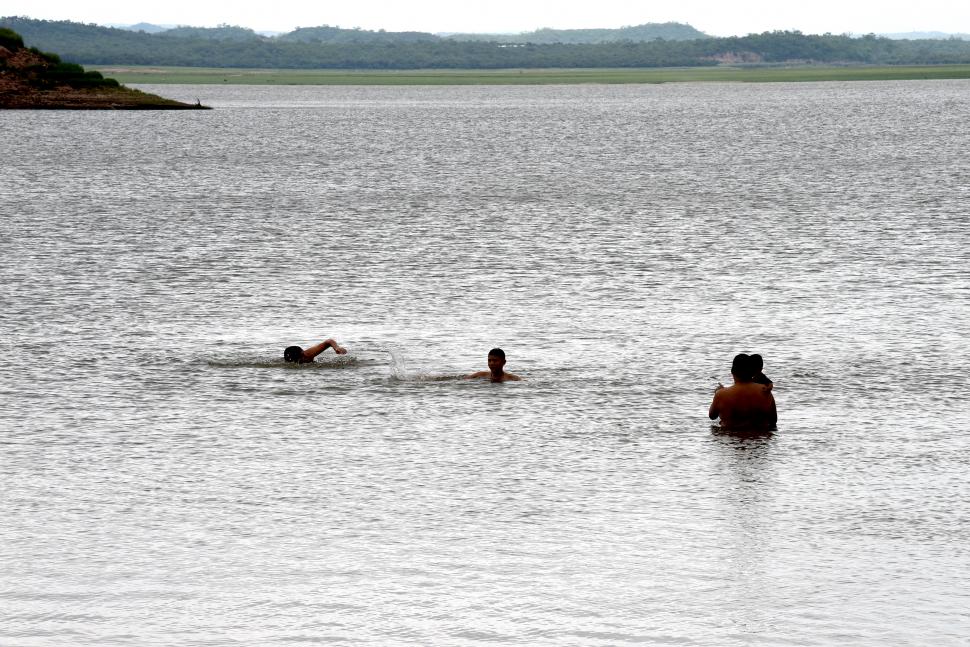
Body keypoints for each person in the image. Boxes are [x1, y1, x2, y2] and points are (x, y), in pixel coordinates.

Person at [709, 353, 776, 431]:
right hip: (758, 439)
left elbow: (712, 416)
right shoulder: (765, 391)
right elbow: (773, 420)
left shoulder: (721, 394)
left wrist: (718, 393)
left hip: (731, 438)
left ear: (732, 372)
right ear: (752, 372)